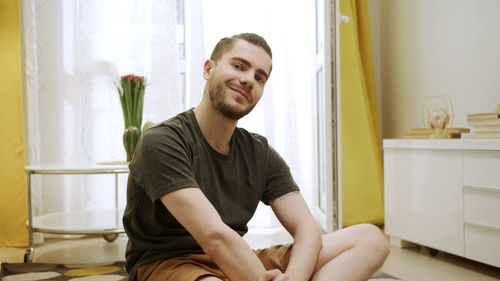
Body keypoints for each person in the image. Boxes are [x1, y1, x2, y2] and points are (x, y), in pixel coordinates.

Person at [123, 33, 389, 281]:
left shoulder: (259, 152)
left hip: (238, 258)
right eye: (239, 66)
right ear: (208, 69)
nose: (249, 79)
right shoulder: (163, 141)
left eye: (260, 77)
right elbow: (214, 237)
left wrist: (294, 278)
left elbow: (307, 228)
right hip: (170, 264)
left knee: (370, 239)